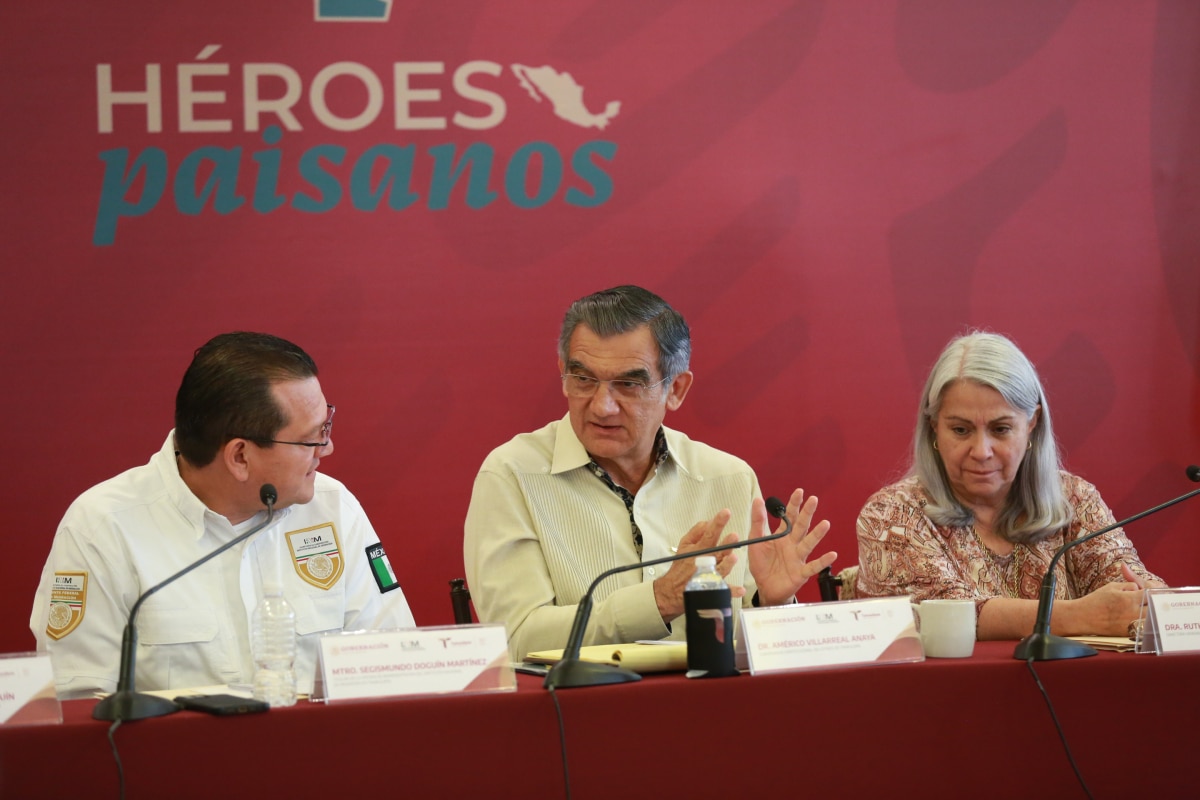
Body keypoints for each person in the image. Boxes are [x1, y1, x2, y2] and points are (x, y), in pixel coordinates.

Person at [30, 332, 415, 698]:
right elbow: (80, 704)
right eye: (309, 438)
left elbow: (394, 664)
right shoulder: (102, 528)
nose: (326, 448)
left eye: (325, 426)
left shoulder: (332, 508)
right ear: (240, 457)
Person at [464, 285, 836, 659]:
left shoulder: (728, 479)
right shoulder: (513, 475)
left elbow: (746, 655)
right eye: (584, 379)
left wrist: (773, 604)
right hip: (576, 697)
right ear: (563, 374)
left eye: (628, 384)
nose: (602, 406)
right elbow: (517, 639)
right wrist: (659, 600)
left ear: (676, 389)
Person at [856, 331, 1163, 640]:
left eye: (1000, 429)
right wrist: (1084, 615)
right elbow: (942, 612)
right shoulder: (892, 514)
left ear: (1031, 424)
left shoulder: (1073, 499)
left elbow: (1126, 581)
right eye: (961, 430)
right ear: (934, 427)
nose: (981, 451)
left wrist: (1146, 599)